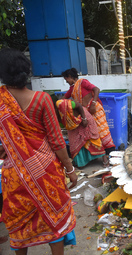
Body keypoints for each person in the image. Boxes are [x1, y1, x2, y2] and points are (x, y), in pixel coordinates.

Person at [0, 48, 77, 254]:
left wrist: (7, 147)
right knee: (54, 219)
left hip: (15, 175)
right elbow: (57, 140)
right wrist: (70, 169)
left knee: (19, 227)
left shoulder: (1, 101)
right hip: (46, 171)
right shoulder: (41, 99)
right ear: (27, 71)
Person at [61, 68, 115, 166]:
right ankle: (99, 156)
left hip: (95, 109)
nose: (66, 82)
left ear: (70, 77)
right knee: (93, 134)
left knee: (102, 132)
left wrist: (93, 103)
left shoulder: (82, 82)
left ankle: (111, 154)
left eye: (66, 79)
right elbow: (63, 99)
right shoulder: (72, 89)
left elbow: (96, 89)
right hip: (86, 113)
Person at [56, 99, 106, 167]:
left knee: (92, 137)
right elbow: (61, 123)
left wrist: (84, 119)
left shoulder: (69, 105)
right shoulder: (57, 113)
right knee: (74, 142)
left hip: (84, 118)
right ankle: (81, 162)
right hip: (72, 125)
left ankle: (105, 160)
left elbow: (79, 105)